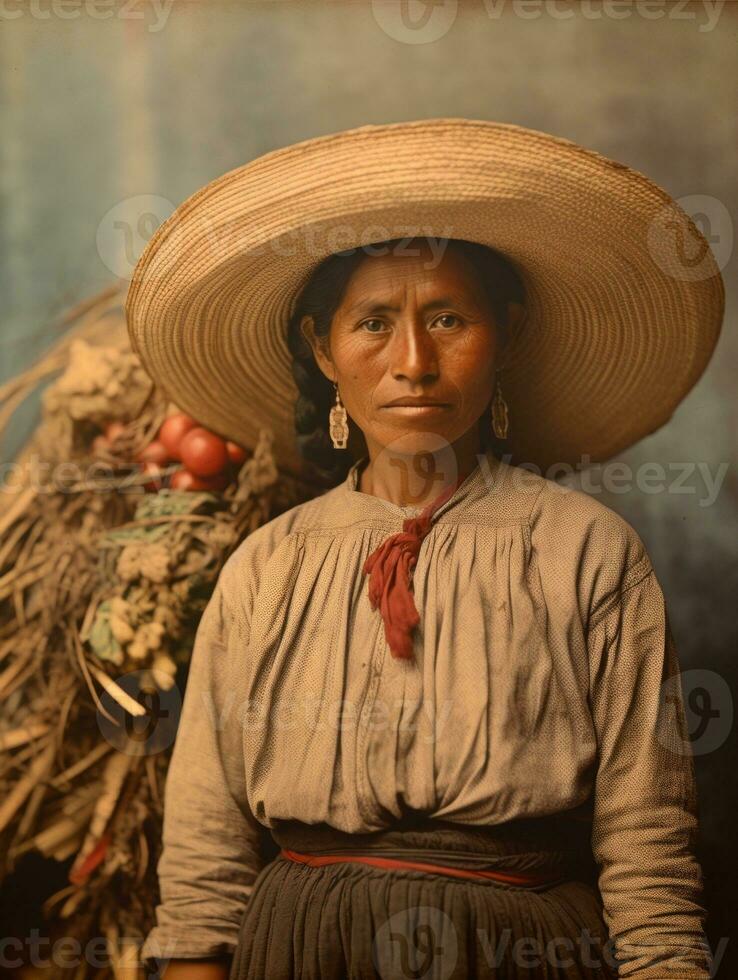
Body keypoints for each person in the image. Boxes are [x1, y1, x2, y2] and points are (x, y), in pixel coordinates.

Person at [126, 119, 724, 979]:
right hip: (300, 951)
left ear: (507, 336)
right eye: (373, 323)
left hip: (521, 953)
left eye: (448, 318)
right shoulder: (266, 567)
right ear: (320, 350)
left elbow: (649, 845)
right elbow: (204, 855)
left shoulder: (583, 551)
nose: (413, 361)